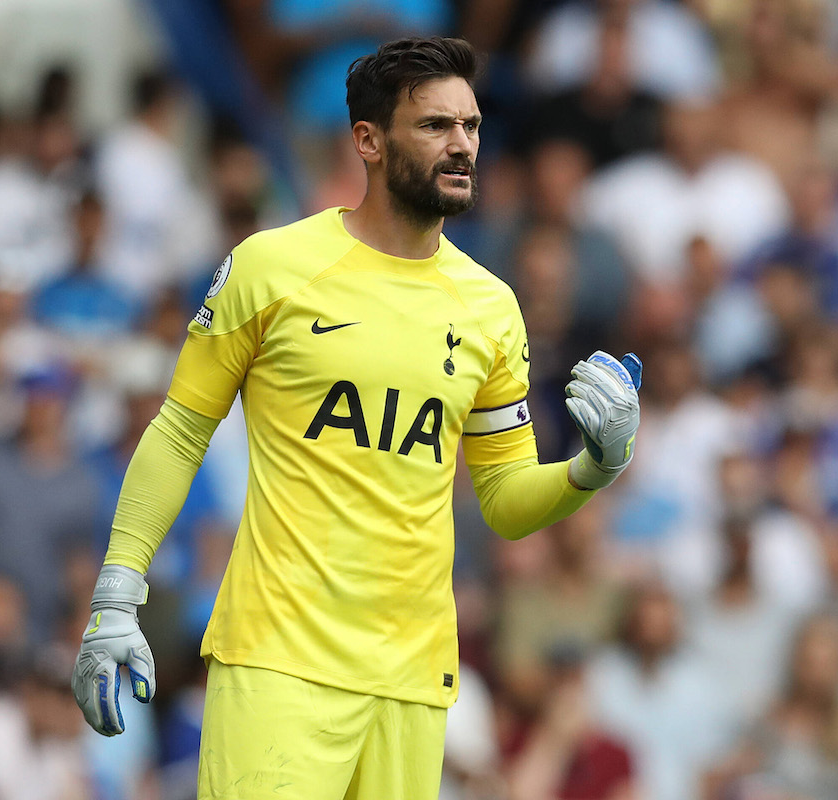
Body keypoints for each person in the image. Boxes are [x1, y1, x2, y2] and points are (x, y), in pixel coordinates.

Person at [70, 37, 643, 800]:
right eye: (436, 126)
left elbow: (505, 500)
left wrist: (592, 468)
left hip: (413, 679)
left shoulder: (491, 308)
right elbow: (180, 431)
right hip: (280, 662)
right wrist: (117, 594)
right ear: (368, 142)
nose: (462, 145)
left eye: (471, 126)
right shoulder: (271, 267)